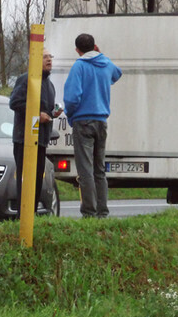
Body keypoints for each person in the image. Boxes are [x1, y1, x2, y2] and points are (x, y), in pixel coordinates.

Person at [63, 33, 122, 218]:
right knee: (99, 169)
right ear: (95, 46)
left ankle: (89, 212)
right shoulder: (105, 64)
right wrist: (100, 54)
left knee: (85, 169)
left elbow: (72, 98)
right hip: (101, 121)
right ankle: (102, 211)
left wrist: (70, 114)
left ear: (77, 50)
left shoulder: (79, 66)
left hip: (83, 121)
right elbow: (117, 73)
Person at [9, 49, 61, 216]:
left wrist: (53, 113)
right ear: (34, 61)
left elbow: (47, 110)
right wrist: (37, 115)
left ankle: (31, 217)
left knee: (38, 180)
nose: (49, 60)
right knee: (26, 180)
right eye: (44, 56)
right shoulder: (25, 80)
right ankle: (21, 218)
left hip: (42, 140)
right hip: (25, 139)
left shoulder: (49, 85)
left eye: (50, 57)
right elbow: (15, 103)